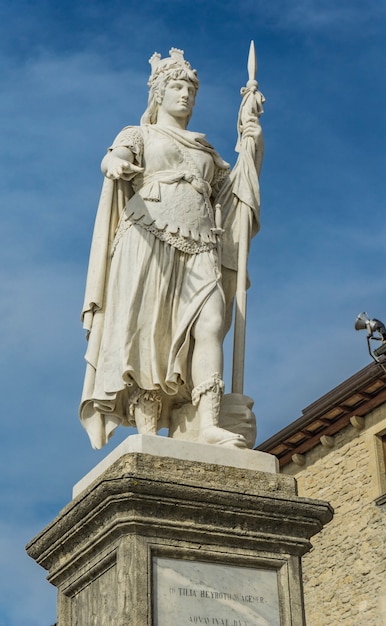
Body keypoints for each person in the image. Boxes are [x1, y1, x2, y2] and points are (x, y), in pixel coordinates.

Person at [80, 48, 263, 450]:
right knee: (150, 334)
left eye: (190, 90)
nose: (185, 96)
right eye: (177, 87)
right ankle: (148, 433)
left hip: (201, 242)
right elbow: (116, 157)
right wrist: (116, 165)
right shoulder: (140, 133)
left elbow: (233, 197)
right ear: (159, 94)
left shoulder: (205, 150)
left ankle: (210, 421)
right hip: (147, 236)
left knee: (211, 321)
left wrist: (250, 142)